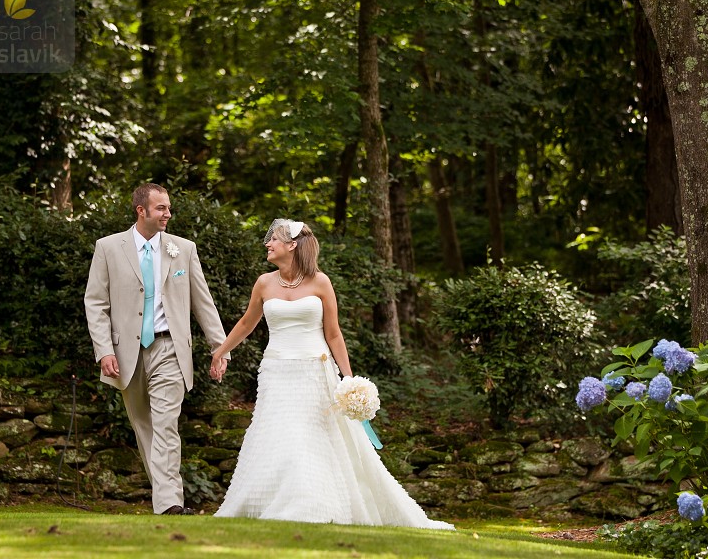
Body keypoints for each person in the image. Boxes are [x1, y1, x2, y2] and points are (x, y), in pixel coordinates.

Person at [213, 218, 453, 530]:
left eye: (273, 240)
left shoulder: (320, 283)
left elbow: (334, 334)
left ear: (292, 245)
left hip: (314, 370)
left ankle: (309, 503)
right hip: (276, 372)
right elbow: (247, 323)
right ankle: (270, 501)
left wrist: (348, 378)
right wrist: (221, 350)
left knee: (309, 437)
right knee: (275, 436)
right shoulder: (264, 283)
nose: (267, 244)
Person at [84, 183, 231, 515]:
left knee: (166, 424)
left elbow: (203, 302)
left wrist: (219, 348)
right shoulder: (108, 248)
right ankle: (166, 498)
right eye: (162, 208)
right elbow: (96, 303)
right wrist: (104, 350)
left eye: (168, 208)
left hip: (170, 349)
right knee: (143, 426)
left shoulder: (184, 249)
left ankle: (169, 504)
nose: (168, 214)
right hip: (125, 354)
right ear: (142, 211)